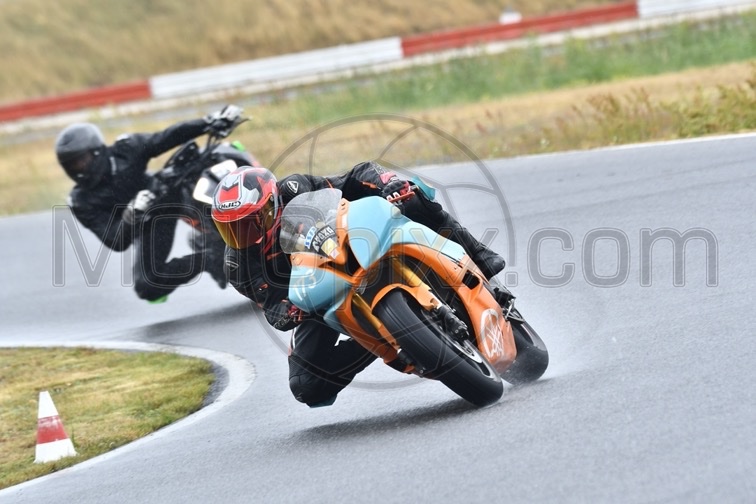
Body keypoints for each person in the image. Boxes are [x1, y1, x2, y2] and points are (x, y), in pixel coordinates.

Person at [211, 161, 512, 407]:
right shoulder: (238, 266)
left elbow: (355, 176)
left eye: (248, 223)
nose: (241, 236)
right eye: (230, 229)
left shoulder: (295, 188)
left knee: (413, 195)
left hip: (358, 238)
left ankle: (480, 256)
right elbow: (272, 307)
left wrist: (387, 182)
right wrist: (290, 311)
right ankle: (376, 339)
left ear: (272, 203)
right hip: (323, 293)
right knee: (306, 385)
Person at [54, 105, 243, 302]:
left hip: (169, 191)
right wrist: (130, 216)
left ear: (96, 152)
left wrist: (207, 122)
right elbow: (115, 241)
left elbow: (165, 138)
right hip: (148, 223)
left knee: (206, 162)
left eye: (81, 161)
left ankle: (249, 210)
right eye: (71, 165)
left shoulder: (125, 149)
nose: (78, 169)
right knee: (147, 285)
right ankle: (212, 257)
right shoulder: (80, 201)